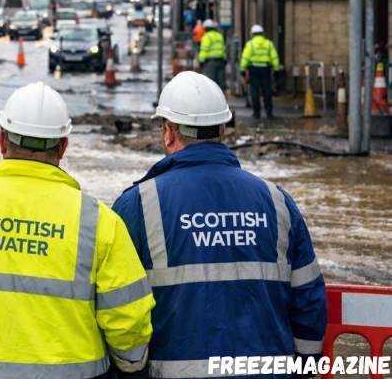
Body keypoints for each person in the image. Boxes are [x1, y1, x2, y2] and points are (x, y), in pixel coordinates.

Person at [0, 82, 155, 379]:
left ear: (1, 141)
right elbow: (127, 318)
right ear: (63, 146)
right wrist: (131, 369)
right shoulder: (98, 220)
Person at [112, 71, 327, 379]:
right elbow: (309, 299)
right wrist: (305, 370)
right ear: (223, 128)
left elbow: (120, 311)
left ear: (168, 132)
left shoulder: (137, 206)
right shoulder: (277, 201)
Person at [241, 24, 281, 118]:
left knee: (255, 90)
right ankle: (269, 110)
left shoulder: (250, 44)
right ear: (262, 33)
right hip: (265, 69)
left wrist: (242, 70)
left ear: (253, 34)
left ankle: (257, 112)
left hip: (254, 69)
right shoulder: (269, 43)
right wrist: (276, 69)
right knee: (267, 90)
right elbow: (274, 57)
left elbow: (245, 58)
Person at [198, 19, 227, 91]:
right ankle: (222, 98)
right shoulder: (219, 35)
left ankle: (213, 99)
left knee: (211, 81)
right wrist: (225, 58)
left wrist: (201, 61)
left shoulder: (207, 36)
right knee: (221, 81)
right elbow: (223, 48)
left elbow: (204, 50)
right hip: (221, 60)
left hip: (211, 61)